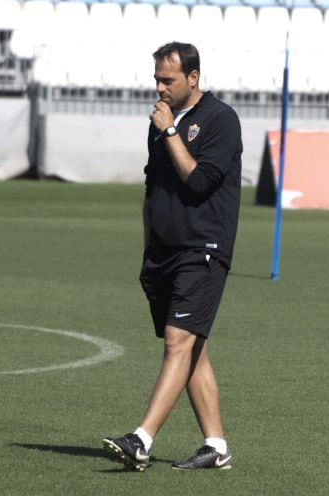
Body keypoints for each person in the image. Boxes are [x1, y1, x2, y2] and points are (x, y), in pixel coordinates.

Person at [103, 41, 243, 472]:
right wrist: (148, 244)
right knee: (191, 345)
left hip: (203, 249)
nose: (160, 88)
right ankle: (216, 445)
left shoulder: (220, 121)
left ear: (193, 78)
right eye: (157, 80)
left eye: (169, 80)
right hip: (162, 251)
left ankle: (141, 439)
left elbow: (198, 183)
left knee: (178, 341)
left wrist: (170, 132)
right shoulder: (158, 123)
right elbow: (153, 187)